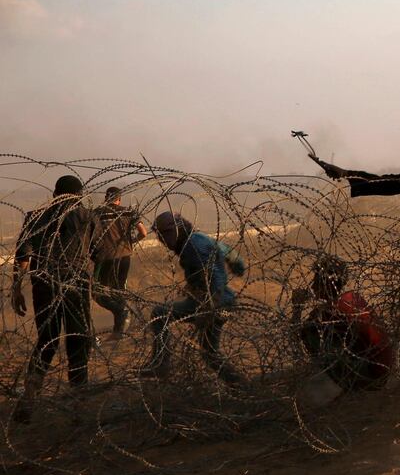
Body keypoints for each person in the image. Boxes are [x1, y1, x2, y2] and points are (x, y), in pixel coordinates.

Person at [11, 175, 98, 423]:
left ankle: (28, 399)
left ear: (54, 194)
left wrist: (16, 289)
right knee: (78, 341)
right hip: (75, 284)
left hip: (44, 285)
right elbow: (98, 253)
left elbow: (23, 258)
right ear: (79, 195)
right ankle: (79, 406)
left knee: (46, 340)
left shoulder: (35, 217)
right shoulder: (87, 216)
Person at [139, 212, 246, 385]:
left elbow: (215, 278)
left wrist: (210, 308)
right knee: (209, 353)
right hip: (220, 300)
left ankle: (161, 364)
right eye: (159, 235)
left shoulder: (193, 246)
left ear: (177, 229)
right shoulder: (198, 238)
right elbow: (229, 252)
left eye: (165, 234)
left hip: (214, 302)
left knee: (160, 314)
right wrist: (238, 268)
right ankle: (239, 385)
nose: (162, 240)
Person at [290, 255, 393, 391]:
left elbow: (296, 335)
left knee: (311, 335)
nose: (313, 285)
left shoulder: (330, 312)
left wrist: (297, 307)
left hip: (368, 375)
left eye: (316, 280)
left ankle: (343, 383)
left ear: (326, 283)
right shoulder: (352, 298)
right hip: (382, 371)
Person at [92, 186, 148, 339]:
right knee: (119, 291)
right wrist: (131, 242)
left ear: (106, 198)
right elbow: (143, 232)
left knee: (96, 292)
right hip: (124, 257)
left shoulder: (97, 213)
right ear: (119, 198)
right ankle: (119, 329)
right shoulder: (128, 211)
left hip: (104, 258)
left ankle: (120, 316)